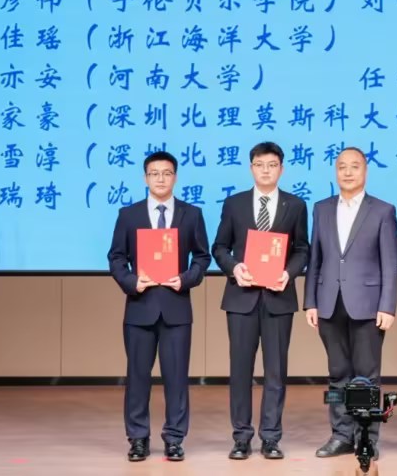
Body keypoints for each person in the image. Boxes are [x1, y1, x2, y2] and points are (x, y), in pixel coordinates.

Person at [108, 151, 211, 463]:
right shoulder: (129, 215)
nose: (161, 179)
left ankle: (175, 439)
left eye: (166, 173)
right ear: (145, 178)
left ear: (175, 177)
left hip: (176, 307)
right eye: (154, 173)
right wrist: (131, 281)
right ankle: (138, 438)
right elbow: (116, 257)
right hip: (140, 307)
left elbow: (202, 257)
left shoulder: (191, 214)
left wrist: (186, 279)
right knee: (137, 378)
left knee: (177, 379)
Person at [211, 142, 310, 461]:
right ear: (251, 168)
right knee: (240, 371)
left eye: (272, 165)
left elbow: (302, 249)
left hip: (278, 298)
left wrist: (289, 273)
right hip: (241, 298)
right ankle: (241, 437)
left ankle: (271, 437)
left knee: (276, 372)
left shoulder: (296, 205)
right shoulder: (234, 204)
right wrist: (234, 268)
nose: (265, 170)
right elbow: (219, 247)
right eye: (259, 164)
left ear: (282, 169)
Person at [304, 146, 397, 460]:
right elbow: (315, 259)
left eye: (354, 166)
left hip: (368, 305)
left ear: (365, 171)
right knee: (337, 375)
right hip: (329, 303)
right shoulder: (321, 209)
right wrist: (310, 302)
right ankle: (341, 435)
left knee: (366, 377)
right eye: (342, 166)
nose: (347, 172)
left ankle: (366, 438)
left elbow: (390, 263)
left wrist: (387, 305)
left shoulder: (383, 210)